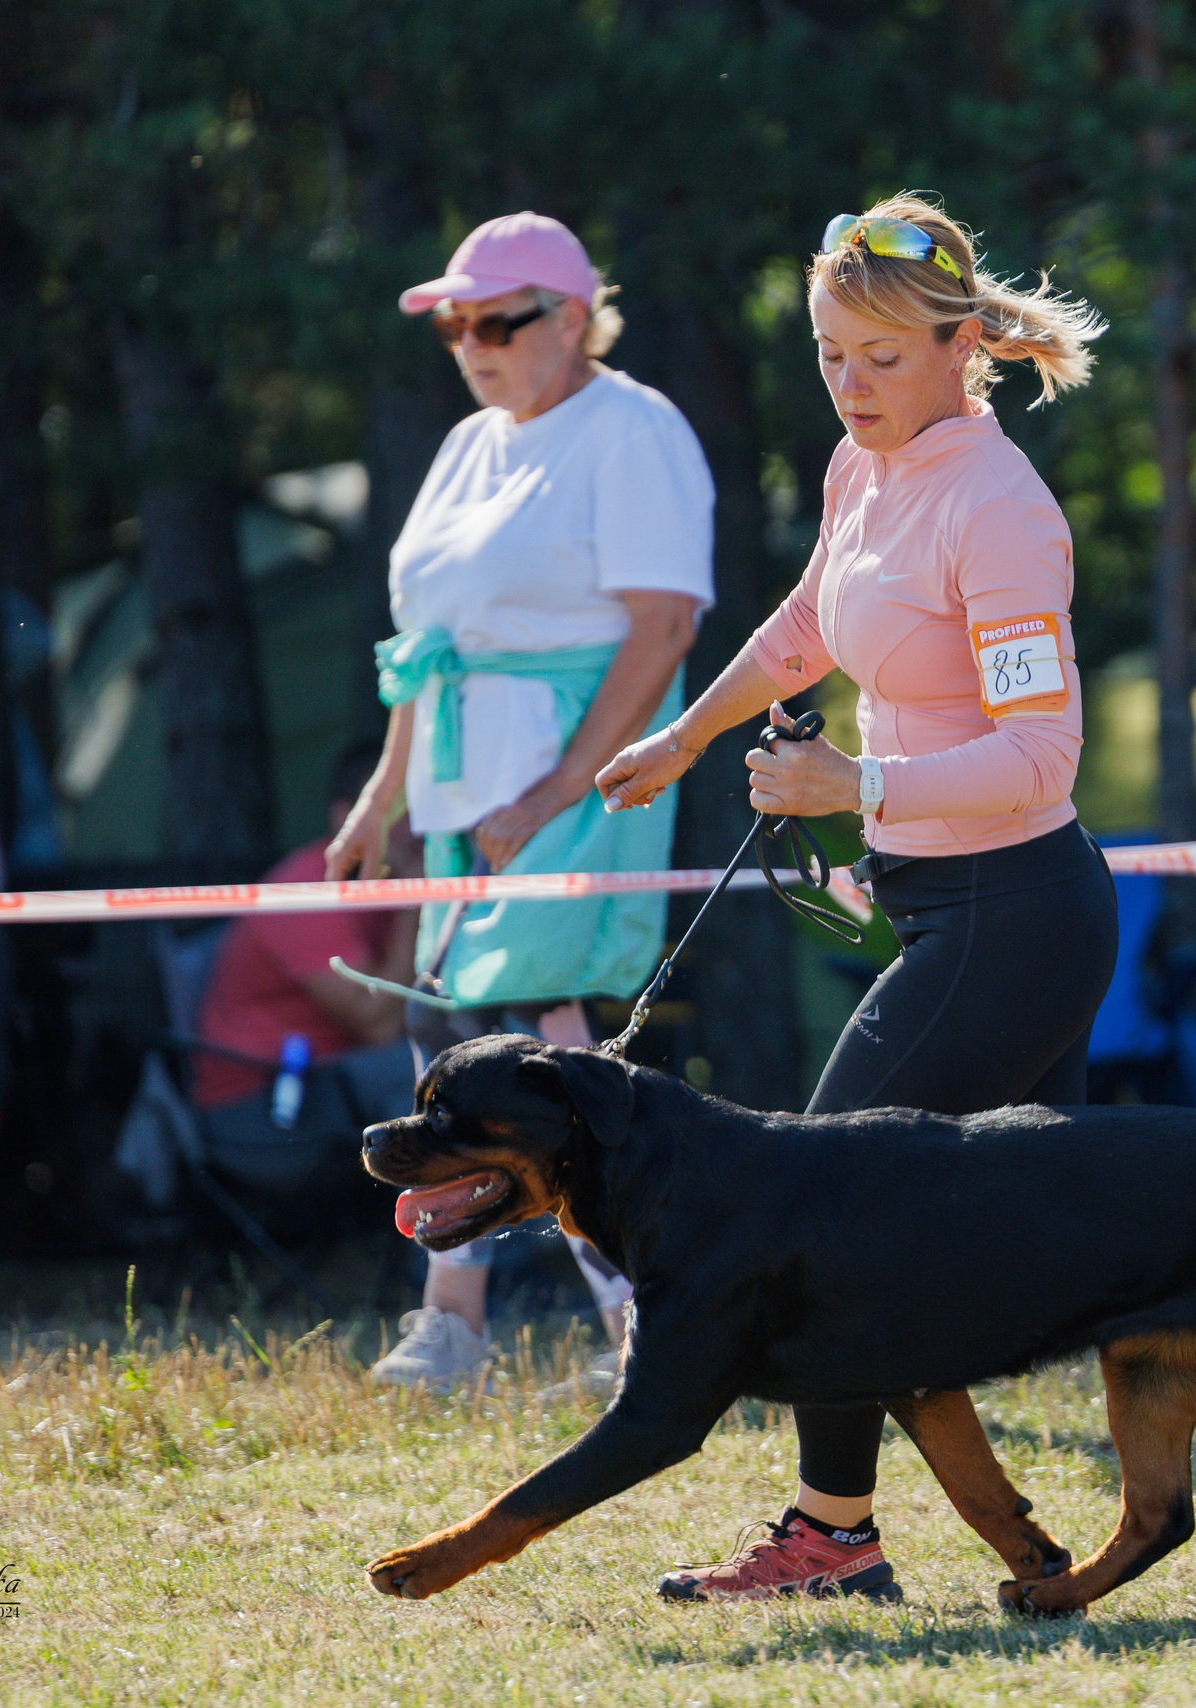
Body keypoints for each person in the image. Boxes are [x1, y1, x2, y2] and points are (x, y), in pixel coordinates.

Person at [599, 192, 1196, 1604]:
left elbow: (1037, 759)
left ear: (962, 346)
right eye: (830, 354)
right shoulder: (862, 468)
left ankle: (833, 1537)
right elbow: (812, 620)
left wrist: (851, 786)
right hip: (948, 909)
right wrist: (686, 739)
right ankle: (1011, 1532)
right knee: (1012, 1250)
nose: (852, 385)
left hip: (1018, 914)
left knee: (822, 1202)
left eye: (881, 358)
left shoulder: (1002, 513)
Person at [327, 211, 713, 1391]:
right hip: (461, 774)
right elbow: (421, 648)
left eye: (496, 319)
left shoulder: (634, 428)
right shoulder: (464, 445)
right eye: (454, 322)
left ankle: (643, 1320)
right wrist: (381, 796)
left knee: (541, 1027)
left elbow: (664, 629)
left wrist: (554, 789)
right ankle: (456, 1319)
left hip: (577, 766)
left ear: (571, 316)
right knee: (445, 1019)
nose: (472, 343)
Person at [189, 741, 418, 1133]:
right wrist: (418, 899)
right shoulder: (305, 891)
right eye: (398, 813)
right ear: (347, 817)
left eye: (421, 812)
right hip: (260, 1106)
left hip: (331, 1080)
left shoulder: (389, 880)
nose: (416, 831)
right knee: (433, 1070)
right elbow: (379, 1026)